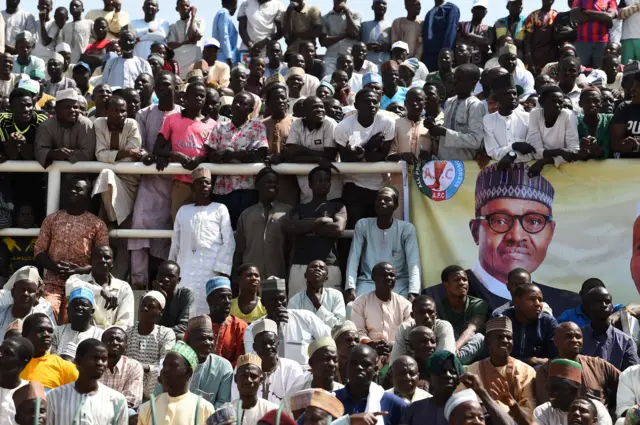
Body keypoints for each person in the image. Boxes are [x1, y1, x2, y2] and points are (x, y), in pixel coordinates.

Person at [424, 161, 581, 315]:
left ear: (550, 233)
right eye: (500, 220)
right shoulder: (437, 299)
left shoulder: (567, 306)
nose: (517, 236)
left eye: (534, 221)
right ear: (475, 230)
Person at [128, 73, 180, 289]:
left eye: (167, 84)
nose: (162, 88)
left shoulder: (182, 114)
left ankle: (166, 286)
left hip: (175, 182)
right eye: (158, 85)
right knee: (139, 228)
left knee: (170, 235)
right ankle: (138, 283)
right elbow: (139, 144)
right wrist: (147, 155)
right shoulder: (144, 113)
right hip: (149, 181)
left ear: (176, 87)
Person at [33, 177, 107, 321]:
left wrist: (77, 271)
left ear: (88, 195)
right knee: (46, 313)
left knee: (71, 317)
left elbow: (102, 260)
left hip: (82, 282)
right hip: (52, 282)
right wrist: (54, 267)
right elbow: (39, 251)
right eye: (70, 188)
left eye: (79, 189)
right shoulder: (52, 219)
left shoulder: (97, 224)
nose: (73, 191)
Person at [169, 167, 234, 315]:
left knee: (209, 310)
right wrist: (172, 272)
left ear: (211, 187)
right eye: (199, 183)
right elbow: (175, 244)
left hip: (211, 270)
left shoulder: (220, 209)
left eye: (207, 183)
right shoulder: (183, 211)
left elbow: (229, 242)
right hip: (185, 270)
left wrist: (221, 271)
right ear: (192, 187)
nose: (204, 186)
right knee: (186, 311)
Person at [206, 92, 269, 228]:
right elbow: (212, 156)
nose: (238, 105)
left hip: (247, 190)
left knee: (244, 232)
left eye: (244, 103)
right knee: (223, 233)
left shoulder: (257, 127)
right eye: (236, 102)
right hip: (222, 191)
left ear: (251, 110)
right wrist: (243, 154)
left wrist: (229, 153)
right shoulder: (219, 127)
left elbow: (258, 155)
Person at [346, 187, 420, 298]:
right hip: (369, 281)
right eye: (379, 199)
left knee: (406, 309)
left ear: (395, 205)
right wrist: (350, 287)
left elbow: (413, 262)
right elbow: (354, 257)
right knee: (353, 307)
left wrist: (414, 292)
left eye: (387, 199)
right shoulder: (363, 225)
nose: (382, 202)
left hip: (398, 283)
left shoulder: (406, 229)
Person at [335, 88, 395, 227]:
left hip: (380, 186)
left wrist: (360, 153)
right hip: (354, 185)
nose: (372, 105)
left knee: (377, 230)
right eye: (367, 102)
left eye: (375, 102)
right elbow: (346, 160)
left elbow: (381, 156)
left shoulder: (387, 123)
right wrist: (369, 146)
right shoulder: (343, 127)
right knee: (354, 230)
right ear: (356, 105)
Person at [283, 166, 346, 296]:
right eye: (319, 180)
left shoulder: (338, 207)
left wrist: (305, 225)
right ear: (310, 184)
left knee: (329, 311)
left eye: (326, 181)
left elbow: (337, 229)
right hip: (300, 265)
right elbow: (291, 227)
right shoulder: (299, 208)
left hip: (329, 265)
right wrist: (321, 221)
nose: (323, 183)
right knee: (296, 311)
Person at [460, 317, 535, 422]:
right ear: (487, 341)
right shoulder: (471, 370)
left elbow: (530, 413)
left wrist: (509, 407)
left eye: (509, 338)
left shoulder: (527, 371)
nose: (505, 341)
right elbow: (462, 407)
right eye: (500, 337)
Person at [244, 277, 331, 366]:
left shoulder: (306, 318)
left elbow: (328, 343)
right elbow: (253, 362)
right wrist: (274, 326)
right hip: (271, 377)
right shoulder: (252, 329)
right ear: (263, 302)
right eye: (273, 300)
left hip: (304, 376)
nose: (279, 304)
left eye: (282, 299)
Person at [535, 322, 621, 409]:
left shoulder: (598, 364)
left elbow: (626, 383)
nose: (575, 340)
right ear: (556, 341)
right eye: (569, 336)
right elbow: (547, 406)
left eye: (578, 337)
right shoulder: (546, 370)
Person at [45, 338, 127, 425]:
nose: (100, 363)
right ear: (78, 361)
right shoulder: (55, 396)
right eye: (94, 358)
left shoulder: (117, 400)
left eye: (104, 359)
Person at [91, 95, 143, 226]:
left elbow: (132, 156)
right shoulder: (99, 123)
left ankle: (109, 221)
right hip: (107, 182)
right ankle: (111, 220)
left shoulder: (132, 124)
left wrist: (126, 154)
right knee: (106, 175)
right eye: (115, 110)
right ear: (106, 111)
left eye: (123, 111)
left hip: (130, 179)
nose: (120, 114)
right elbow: (100, 155)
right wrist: (127, 152)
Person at [138, 342, 216, 425]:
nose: (165, 370)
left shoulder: (204, 409)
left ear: (188, 372)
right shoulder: (147, 408)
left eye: (173, 365)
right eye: (164, 365)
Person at [284, 96, 341, 204]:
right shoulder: (297, 124)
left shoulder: (330, 123)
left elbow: (329, 155)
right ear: (305, 111)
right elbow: (290, 153)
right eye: (315, 107)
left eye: (321, 107)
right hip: (306, 191)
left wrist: (301, 149)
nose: (320, 110)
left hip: (331, 192)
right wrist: (318, 158)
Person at [234, 318, 305, 403]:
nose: (268, 346)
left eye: (272, 343)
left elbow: (295, 403)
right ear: (254, 347)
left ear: (278, 344)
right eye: (263, 343)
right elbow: (237, 400)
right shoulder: (243, 369)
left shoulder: (292, 368)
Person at [427, 266, 487, 365]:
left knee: (480, 338)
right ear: (446, 285)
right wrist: (450, 348)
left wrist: (455, 348)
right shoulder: (437, 306)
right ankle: (449, 363)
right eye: (457, 280)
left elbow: (472, 329)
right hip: (444, 347)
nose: (462, 283)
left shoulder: (478, 304)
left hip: (463, 350)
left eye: (464, 280)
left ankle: (449, 363)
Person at [65, 245, 134, 330]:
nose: (102, 260)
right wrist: (101, 291)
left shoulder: (124, 288)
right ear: (90, 261)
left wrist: (108, 335)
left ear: (112, 263)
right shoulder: (77, 279)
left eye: (107, 257)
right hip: (84, 337)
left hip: (111, 338)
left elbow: (126, 322)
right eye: (98, 257)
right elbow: (70, 287)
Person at [334, 344, 407, 425]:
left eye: (366, 364)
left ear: (375, 370)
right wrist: (349, 421)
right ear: (346, 366)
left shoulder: (393, 404)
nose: (359, 367)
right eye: (354, 363)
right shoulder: (331, 400)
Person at [351, 262, 411, 359]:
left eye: (391, 275)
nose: (388, 278)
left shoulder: (405, 304)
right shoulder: (361, 302)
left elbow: (408, 333)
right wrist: (372, 345)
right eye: (383, 275)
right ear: (373, 278)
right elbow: (358, 332)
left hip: (398, 355)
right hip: (369, 355)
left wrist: (393, 346)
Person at [426, 63, 483, 160]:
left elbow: (476, 140)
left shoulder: (475, 105)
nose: (454, 82)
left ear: (473, 83)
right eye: (455, 78)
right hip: (444, 163)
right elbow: (446, 132)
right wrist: (434, 128)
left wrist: (445, 133)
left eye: (460, 79)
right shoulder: (449, 101)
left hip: (464, 165)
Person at [125, 291, 176, 399]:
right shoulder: (127, 332)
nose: (145, 309)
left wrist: (145, 368)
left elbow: (165, 363)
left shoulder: (165, 334)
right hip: (129, 387)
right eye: (143, 305)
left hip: (154, 391)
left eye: (151, 306)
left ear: (160, 312)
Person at [534, 359, 612, 425]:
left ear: (573, 390)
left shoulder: (595, 409)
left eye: (555, 389)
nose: (549, 393)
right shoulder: (542, 412)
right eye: (548, 388)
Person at [33, 88, 96, 169]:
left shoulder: (85, 124)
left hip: (79, 172)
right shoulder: (46, 126)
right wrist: (53, 153)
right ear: (56, 110)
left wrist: (66, 154)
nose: (73, 110)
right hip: (51, 173)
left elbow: (88, 154)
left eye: (75, 107)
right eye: (67, 107)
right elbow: (39, 151)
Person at [581, 286, 640, 371]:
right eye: (599, 302)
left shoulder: (625, 341)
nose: (604, 305)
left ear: (612, 307)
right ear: (587, 307)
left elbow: (633, 374)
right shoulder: (578, 337)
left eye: (607, 301)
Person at [180, 315, 234, 408]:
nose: (208, 343)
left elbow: (222, 404)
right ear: (188, 342)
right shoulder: (175, 363)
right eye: (202, 338)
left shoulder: (223, 367)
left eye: (211, 339)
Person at [499, 284, 558, 366]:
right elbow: (496, 357)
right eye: (532, 299)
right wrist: (530, 360)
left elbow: (555, 359)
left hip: (538, 372)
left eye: (540, 300)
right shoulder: (502, 319)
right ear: (517, 301)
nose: (538, 304)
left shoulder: (548, 322)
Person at [283, 338, 344, 414]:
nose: (332, 364)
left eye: (335, 360)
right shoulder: (294, 396)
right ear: (311, 363)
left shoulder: (344, 394)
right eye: (326, 359)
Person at [483, 73, 532, 166]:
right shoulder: (488, 120)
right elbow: (493, 153)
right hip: (500, 173)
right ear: (497, 98)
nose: (513, 97)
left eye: (515, 93)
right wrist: (514, 147)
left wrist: (511, 155)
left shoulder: (527, 118)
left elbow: (531, 152)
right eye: (508, 94)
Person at [390, 294, 456, 363]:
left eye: (430, 312)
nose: (426, 316)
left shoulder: (443, 327)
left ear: (436, 315)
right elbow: (395, 362)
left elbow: (445, 361)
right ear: (412, 315)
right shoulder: (404, 329)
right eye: (421, 312)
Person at [20, 313, 79, 390]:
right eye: (40, 330)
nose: (47, 334)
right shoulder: (11, 363)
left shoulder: (63, 367)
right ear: (25, 334)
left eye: (50, 331)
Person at [0, 267, 55, 341]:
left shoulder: (43, 322)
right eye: (22, 289)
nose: (25, 294)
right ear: (13, 292)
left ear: (36, 296)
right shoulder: (1, 313)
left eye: (30, 290)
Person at [287, 260, 346, 329]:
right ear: (305, 275)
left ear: (326, 278)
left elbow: (339, 325)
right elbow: (292, 328)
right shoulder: (294, 301)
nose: (317, 269)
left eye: (322, 268)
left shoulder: (336, 295)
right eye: (313, 267)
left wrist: (317, 305)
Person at [205, 276, 248, 367]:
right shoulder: (198, 324)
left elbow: (242, 360)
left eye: (229, 297)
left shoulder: (240, 326)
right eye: (222, 297)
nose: (228, 301)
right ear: (210, 301)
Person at [99, 326, 144, 411]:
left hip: (121, 413)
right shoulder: (95, 365)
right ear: (101, 344)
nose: (115, 342)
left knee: (130, 412)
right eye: (110, 339)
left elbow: (132, 401)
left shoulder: (134, 366)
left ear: (126, 346)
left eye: (119, 340)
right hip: (96, 410)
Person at [51, 288, 103, 360]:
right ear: (68, 310)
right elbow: (52, 358)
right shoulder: (57, 331)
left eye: (84, 305)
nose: (79, 307)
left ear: (92, 311)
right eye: (75, 304)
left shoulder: (100, 335)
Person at [150, 261, 195, 341]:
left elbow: (185, 326)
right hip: (153, 338)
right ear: (157, 277)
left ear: (178, 280)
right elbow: (147, 323)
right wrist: (160, 298)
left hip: (170, 337)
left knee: (181, 337)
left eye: (171, 276)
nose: (166, 279)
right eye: (162, 275)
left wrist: (163, 333)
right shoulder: (149, 297)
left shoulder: (186, 294)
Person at [231, 353, 279, 425]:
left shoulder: (272, 411)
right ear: (235, 379)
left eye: (253, 376)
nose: (248, 380)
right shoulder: (226, 413)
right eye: (243, 376)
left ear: (261, 380)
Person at [558, 279, 625, 327]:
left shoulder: (612, 309)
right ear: (581, 294)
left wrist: (618, 314)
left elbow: (634, 307)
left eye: (599, 291)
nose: (596, 295)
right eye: (590, 291)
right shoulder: (568, 316)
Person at [320, 0, 361, 75]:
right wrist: (346, 35)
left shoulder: (355, 14)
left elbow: (354, 33)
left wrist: (347, 11)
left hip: (349, 55)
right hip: (331, 56)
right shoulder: (325, 18)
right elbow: (323, 41)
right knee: (328, 80)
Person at [572, 0, 617, 69]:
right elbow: (576, 16)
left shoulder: (611, 0)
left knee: (600, 72)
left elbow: (609, 16)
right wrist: (603, 16)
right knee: (579, 70)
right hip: (582, 42)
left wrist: (585, 12)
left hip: (602, 43)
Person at [167, 0, 204, 78]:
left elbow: (192, 36)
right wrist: (187, 42)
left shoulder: (199, 21)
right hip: (179, 66)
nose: (185, 8)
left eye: (187, 6)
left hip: (194, 64)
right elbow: (171, 46)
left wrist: (193, 16)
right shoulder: (173, 26)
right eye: (182, 6)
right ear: (177, 9)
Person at [0, 336, 33, 423]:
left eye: (8, 353)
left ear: (23, 362)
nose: (0, 355)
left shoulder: (30, 395)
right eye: (0, 350)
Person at [574, 87, 613, 160]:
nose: (592, 104)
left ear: (601, 103)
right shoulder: (575, 121)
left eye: (596, 101)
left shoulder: (609, 120)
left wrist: (598, 149)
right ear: (580, 103)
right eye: (587, 101)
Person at [421, 0, 460, 71]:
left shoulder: (451, 8)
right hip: (428, 57)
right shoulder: (429, 13)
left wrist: (445, 54)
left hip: (442, 57)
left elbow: (450, 33)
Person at [611, 70, 640, 158]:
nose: (632, 89)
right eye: (633, 85)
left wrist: (638, 147)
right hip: (627, 168)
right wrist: (626, 145)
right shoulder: (624, 107)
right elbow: (615, 144)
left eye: (637, 86)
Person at [456, 0, 493, 67]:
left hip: (481, 63)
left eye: (482, 9)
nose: (479, 11)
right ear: (472, 10)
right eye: (477, 8)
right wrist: (480, 41)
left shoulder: (488, 28)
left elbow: (489, 41)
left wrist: (472, 36)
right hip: (463, 63)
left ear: (486, 12)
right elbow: (457, 40)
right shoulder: (462, 25)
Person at [56, 0, 91, 65]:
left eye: (76, 6)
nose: (74, 7)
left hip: (84, 61)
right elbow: (61, 44)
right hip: (68, 62)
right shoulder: (65, 27)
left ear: (82, 9)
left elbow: (95, 41)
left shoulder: (89, 23)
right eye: (72, 6)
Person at [359, 0, 391, 67]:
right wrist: (365, 47)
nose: (381, 5)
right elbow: (356, 44)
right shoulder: (364, 25)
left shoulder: (391, 26)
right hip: (367, 65)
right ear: (372, 7)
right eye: (378, 3)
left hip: (385, 64)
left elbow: (395, 46)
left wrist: (387, 47)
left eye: (384, 3)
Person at [211, 0, 237, 67]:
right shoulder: (224, 13)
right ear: (234, 3)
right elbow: (224, 36)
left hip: (220, 56)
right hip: (224, 58)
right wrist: (229, 57)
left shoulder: (221, 13)